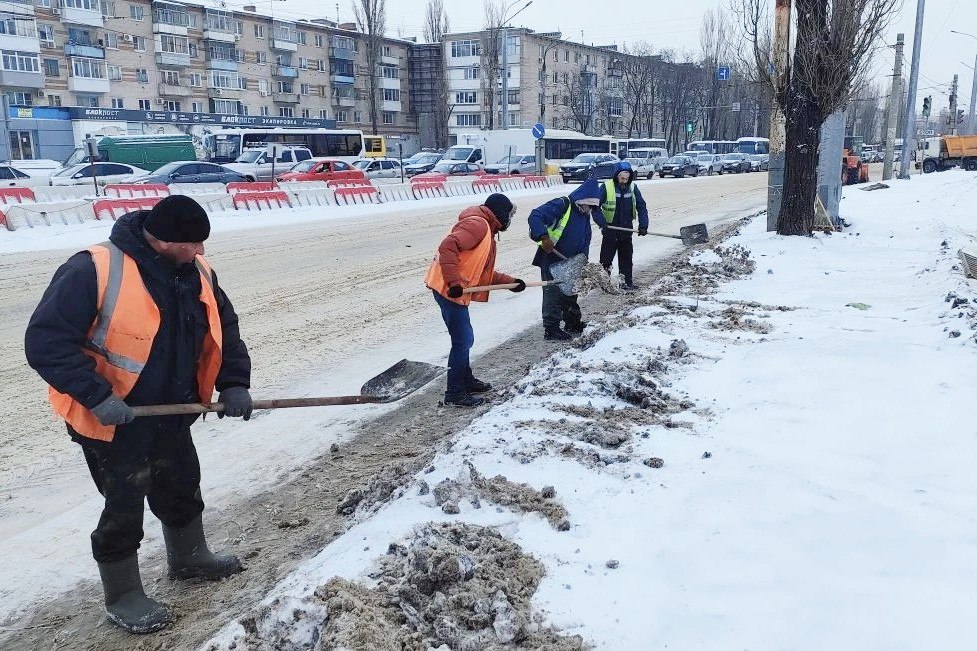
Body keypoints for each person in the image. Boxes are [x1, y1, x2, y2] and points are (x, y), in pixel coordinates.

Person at [24, 195, 253, 634]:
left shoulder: (197, 271)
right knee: (124, 503)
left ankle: (189, 556)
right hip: (112, 418)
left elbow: (224, 327)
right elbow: (46, 341)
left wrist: (234, 382)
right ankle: (124, 594)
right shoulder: (92, 269)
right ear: (162, 240)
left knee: (181, 481)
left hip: (172, 409)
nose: (201, 252)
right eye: (192, 243)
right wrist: (96, 396)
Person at [425, 193, 525, 408]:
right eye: (509, 214)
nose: (509, 219)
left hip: (452, 289)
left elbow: (481, 271)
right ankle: (455, 393)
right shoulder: (479, 225)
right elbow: (447, 247)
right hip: (449, 290)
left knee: (464, 339)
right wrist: (453, 283)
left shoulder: (486, 227)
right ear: (500, 213)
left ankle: (465, 381)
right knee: (463, 341)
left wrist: (511, 282)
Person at [528, 179, 605, 341]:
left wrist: (582, 261)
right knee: (553, 293)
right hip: (552, 258)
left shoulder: (583, 214)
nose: (590, 210)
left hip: (572, 261)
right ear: (583, 199)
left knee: (571, 291)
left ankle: (572, 322)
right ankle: (551, 329)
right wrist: (543, 236)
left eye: (593, 207)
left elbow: (585, 239)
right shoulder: (563, 204)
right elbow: (536, 215)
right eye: (589, 205)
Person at [594, 161, 649, 291]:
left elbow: (641, 207)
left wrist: (643, 225)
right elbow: (595, 207)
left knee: (626, 259)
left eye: (626, 178)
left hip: (626, 230)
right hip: (610, 230)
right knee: (606, 260)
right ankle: (605, 284)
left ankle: (626, 283)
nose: (624, 181)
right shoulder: (606, 187)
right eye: (622, 178)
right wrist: (602, 223)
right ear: (616, 176)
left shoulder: (633, 187)